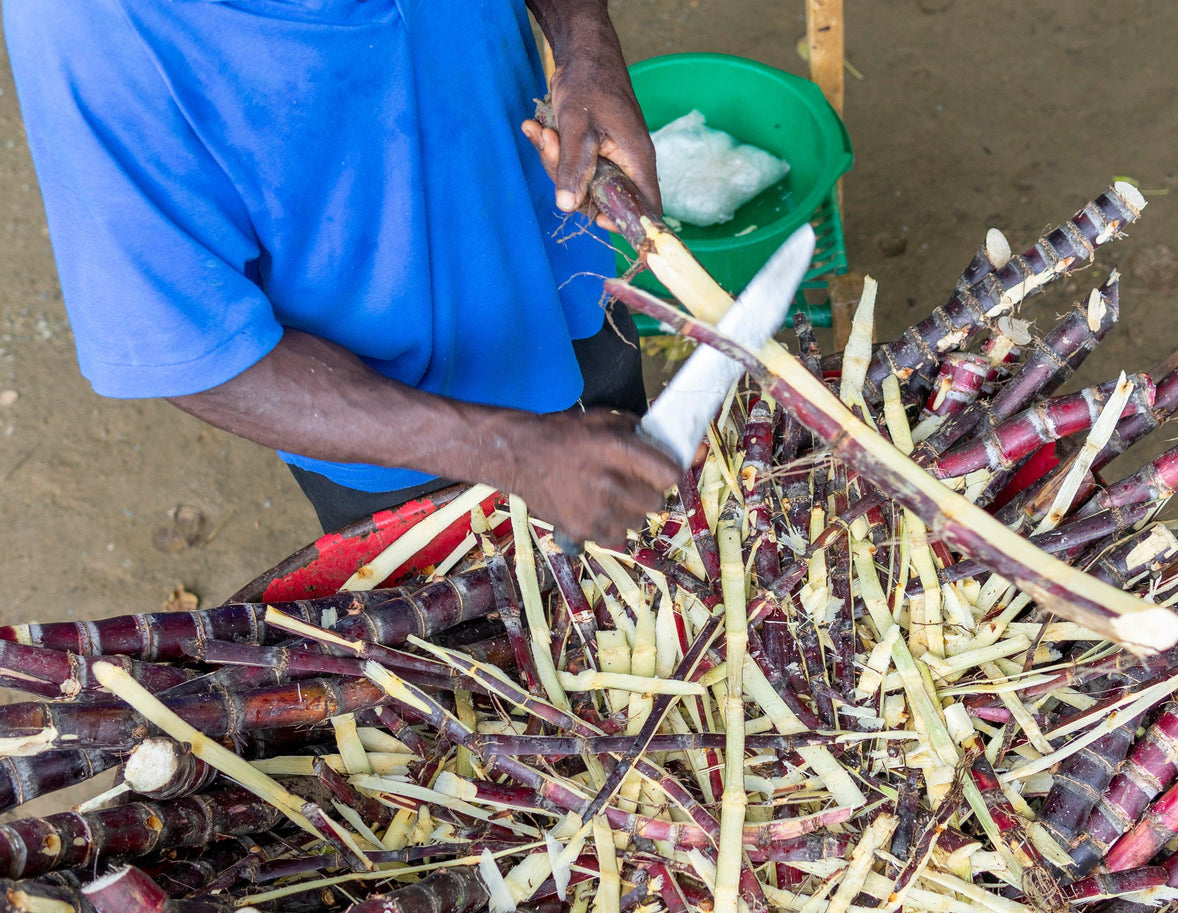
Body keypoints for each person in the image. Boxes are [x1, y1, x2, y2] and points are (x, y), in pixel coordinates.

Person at [3, 0, 680, 541]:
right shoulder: (90, 30)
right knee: (480, 642)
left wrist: (586, 48)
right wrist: (508, 451)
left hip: (566, 267)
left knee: (647, 528)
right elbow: (195, 349)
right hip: (397, 429)